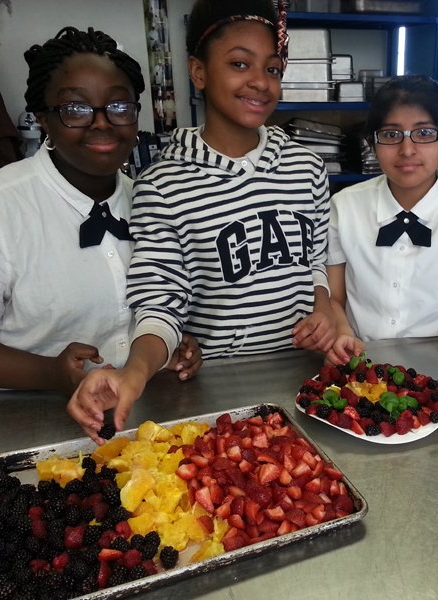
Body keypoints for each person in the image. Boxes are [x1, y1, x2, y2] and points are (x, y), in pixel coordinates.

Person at [69, 0, 335, 442]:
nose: (260, 82)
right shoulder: (162, 185)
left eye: (272, 68)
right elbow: (160, 302)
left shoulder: (307, 168)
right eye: (239, 64)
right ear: (198, 72)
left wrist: (323, 308)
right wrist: (135, 372)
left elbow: (316, 262)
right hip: (216, 395)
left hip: (305, 381)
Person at [0, 27, 198, 394]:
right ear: (44, 119)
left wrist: (170, 348)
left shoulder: (155, 203)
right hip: (9, 420)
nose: (102, 122)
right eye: (76, 109)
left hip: (140, 416)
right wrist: (50, 373)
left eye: (119, 107)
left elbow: (161, 304)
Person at [326, 75, 438, 400]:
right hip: (358, 369)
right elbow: (333, 297)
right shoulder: (343, 206)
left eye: (424, 133)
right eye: (390, 135)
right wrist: (340, 334)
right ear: (372, 142)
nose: (407, 149)